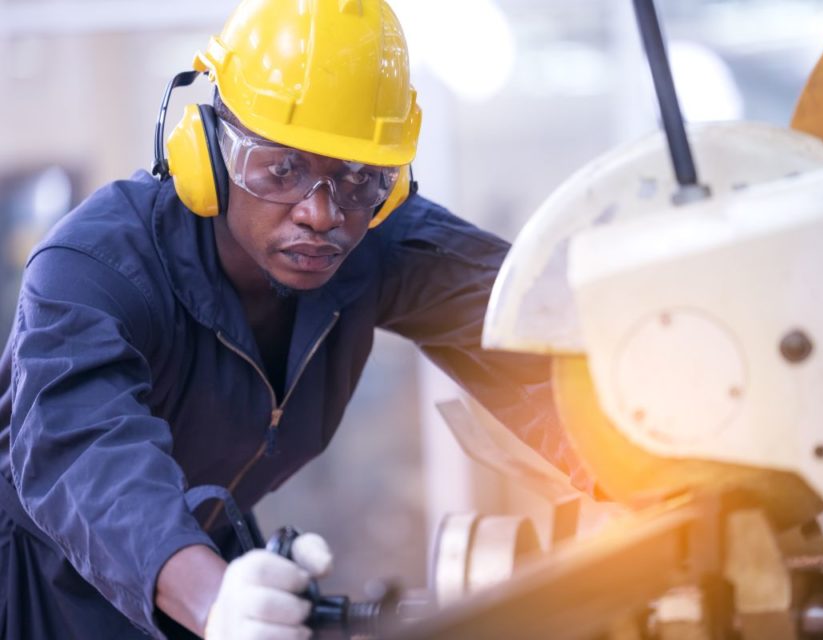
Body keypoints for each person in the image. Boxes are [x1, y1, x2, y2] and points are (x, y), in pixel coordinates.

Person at [0, 1, 594, 638]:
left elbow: (531, 326)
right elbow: (85, 452)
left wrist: (633, 464)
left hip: (206, 567)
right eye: (282, 167)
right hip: (38, 590)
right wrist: (212, 600)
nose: (321, 213)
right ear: (209, 153)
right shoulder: (93, 268)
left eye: (360, 177)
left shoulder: (374, 241)